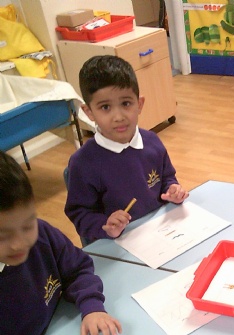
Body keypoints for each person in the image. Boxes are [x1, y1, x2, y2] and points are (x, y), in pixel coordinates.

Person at [0, 151, 122, 335]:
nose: (19, 243)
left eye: (27, 225)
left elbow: (78, 269)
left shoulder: (43, 235)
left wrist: (92, 306)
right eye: (2, 236)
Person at [65, 55, 188, 244]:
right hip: (119, 244)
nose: (118, 116)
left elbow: (167, 178)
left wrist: (173, 191)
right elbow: (80, 214)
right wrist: (105, 225)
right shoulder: (83, 163)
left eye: (126, 104)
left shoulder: (152, 141)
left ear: (139, 104)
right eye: (105, 107)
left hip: (162, 234)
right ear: (89, 112)